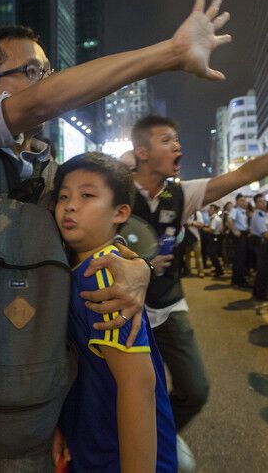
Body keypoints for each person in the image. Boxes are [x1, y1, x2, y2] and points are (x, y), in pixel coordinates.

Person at [0, 0, 232, 470]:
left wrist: (134, 267)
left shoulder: (53, 176)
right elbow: (41, 103)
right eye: (31, 72)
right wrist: (170, 52)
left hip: (37, 397)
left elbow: (92, 243)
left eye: (46, 72)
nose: (46, 82)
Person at [129, 96, 268, 461]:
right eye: (166, 140)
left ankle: (160, 435)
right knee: (123, 393)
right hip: (125, 314)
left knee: (196, 389)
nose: (178, 146)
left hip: (169, 306)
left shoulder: (182, 193)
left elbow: (245, 175)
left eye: (178, 139)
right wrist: (137, 263)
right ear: (141, 152)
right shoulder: (113, 191)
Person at [52, 152, 177, 472]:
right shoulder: (77, 269)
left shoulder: (104, 274)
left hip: (121, 456)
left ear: (121, 212)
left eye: (87, 195)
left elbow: (138, 385)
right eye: (63, 195)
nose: (70, 205)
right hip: (95, 443)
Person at [250, 193, 268, 306]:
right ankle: (261, 294)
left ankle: (257, 292)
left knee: (261, 269)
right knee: (264, 270)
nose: (264, 203)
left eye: (264, 201)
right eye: (260, 201)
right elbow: (264, 233)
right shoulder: (259, 214)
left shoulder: (261, 214)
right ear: (256, 203)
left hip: (261, 243)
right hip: (262, 244)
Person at [228, 193, 250, 287]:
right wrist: (234, 230)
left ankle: (236, 280)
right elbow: (229, 220)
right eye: (241, 200)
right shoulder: (235, 210)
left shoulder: (243, 211)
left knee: (241, 258)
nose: (244, 202)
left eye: (244, 200)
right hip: (239, 236)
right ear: (237, 201)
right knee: (239, 259)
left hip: (244, 235)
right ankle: (239, 280)